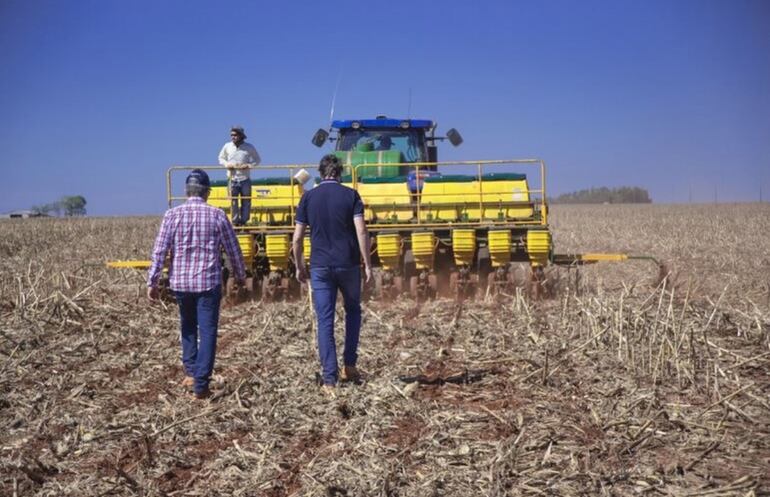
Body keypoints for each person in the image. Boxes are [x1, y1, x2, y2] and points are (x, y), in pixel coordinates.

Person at [147, 169, 246, 400]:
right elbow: (233, 250)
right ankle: (201, 384)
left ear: (185, 191)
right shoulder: (218, 215)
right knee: (208, 330)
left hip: (180, 283)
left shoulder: (172, 215)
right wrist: (240, 275)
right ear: (207, 193)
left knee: (188, 327)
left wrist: (152, 281)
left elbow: (159, 250)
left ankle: (191, 373)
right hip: (207, 283)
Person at [292, 154, 373, 397]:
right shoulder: (351, 195)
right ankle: (349, 365)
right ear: (339, 173)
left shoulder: (308, 197)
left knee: (325, 320)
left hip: (319, 267)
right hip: (348, 264)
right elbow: (361, 230)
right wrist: (367, 264)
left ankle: (329, 379)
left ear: (321, 172)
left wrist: (299, 266)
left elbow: (296, 239)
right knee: (353, 312)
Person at [218, 126, 261, 226]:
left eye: (235, 135)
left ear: (241, 136)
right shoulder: (227, 146)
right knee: (233, 201)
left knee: (246, 200)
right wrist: (227, 164)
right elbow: (221, 158)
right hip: (232, 178)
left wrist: (248, 165)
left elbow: (257, 160)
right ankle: (235, 221)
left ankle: (244, 221)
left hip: (245, 178)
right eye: (231, 135)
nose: (233, 137)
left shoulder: (249, 147)